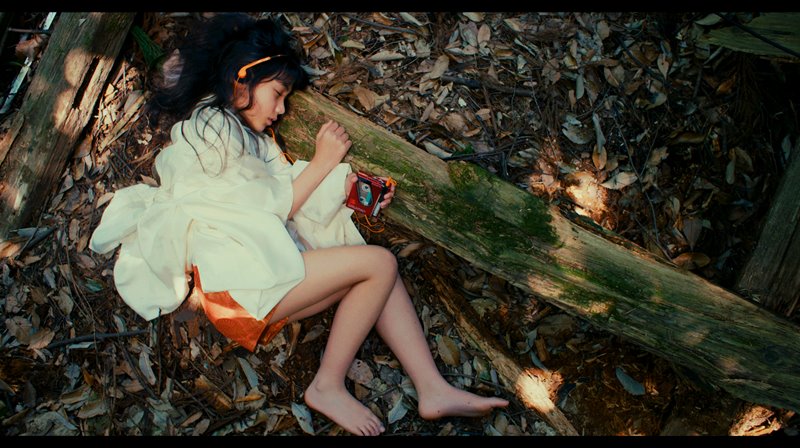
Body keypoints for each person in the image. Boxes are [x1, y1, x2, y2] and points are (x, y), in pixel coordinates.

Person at [90, 13, 508, 436]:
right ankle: (326, 385)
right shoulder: (209, 127)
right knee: (379, 263)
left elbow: (283, 188)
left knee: (377, 277)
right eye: (277, 94)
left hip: (253, 287)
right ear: (242, 79)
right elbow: (264, 208)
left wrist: (346, 188)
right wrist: (325, 161)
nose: (281, 109)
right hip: (239, 288)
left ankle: (431, 387)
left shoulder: (244, 133)